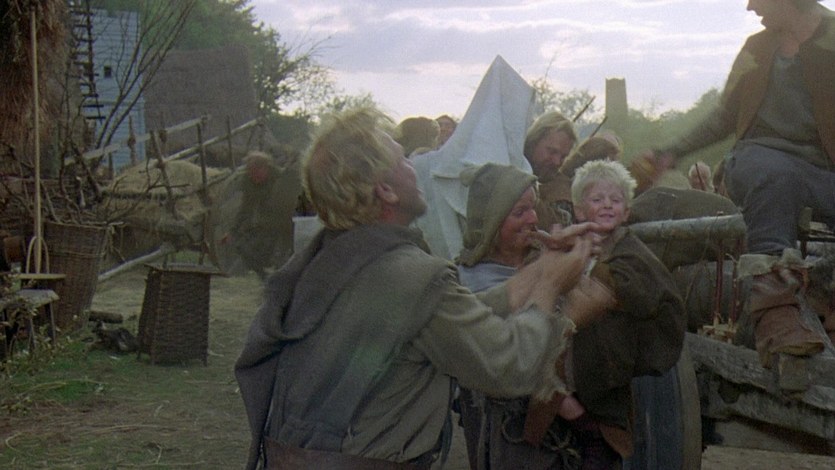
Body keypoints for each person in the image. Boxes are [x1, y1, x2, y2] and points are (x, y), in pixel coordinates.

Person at [234, 106, 612, 470]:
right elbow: (509, 367)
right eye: (402, 160)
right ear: (386, 190)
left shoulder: (331, 261)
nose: (414, 166)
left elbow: (449, 316)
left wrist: (543, 265)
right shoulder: (411, 275)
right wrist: (550, 286)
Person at [643, 0, 833, 365]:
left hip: (823, 169)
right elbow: (724, 115)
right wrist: (672, 151)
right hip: (760, 157)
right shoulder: (756, 49)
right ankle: (776, 314)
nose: (750, 7)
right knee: (773, 175)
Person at [455, 163, 615, 470]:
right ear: (491, 220)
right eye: (519, 212)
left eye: (532, 208)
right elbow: (508, 357)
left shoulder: (540, 258)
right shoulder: (469, 282)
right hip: (510, 436)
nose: (532, 219)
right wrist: (572, 314)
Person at [569, 160, 687, 469]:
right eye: (597, 199)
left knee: (602, 445)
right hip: (579, 364)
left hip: (614, 367)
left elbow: (644, 295)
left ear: (626, 212)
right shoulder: (574, 247)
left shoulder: (633, 253)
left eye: (615, 200)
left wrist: (598, 275)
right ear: (579, 210)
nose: (607, 205)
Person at [223, 150, 301, 280]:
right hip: (266, 225)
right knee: (244, 248)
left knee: (284, 258)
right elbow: (245, 208)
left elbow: (291, 205)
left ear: (265, 168)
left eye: (256, 171)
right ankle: (265, 277)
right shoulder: (249, 182)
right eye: (251, 172)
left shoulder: (282, 180)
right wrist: (233, 231)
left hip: (287, 223)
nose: (254, 176)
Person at [523, 111, 578, 230]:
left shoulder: (562, 188)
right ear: (533, 142)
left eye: (563, 156)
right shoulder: (510, 170)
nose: (557, 162)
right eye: (552, 152)